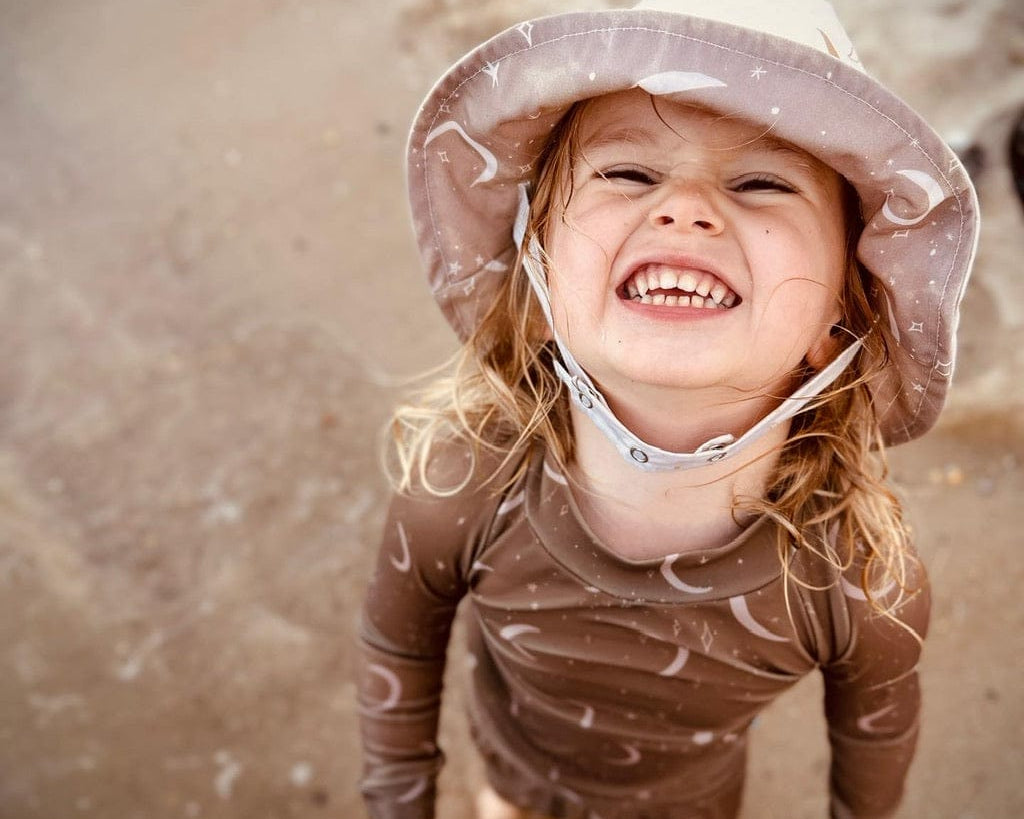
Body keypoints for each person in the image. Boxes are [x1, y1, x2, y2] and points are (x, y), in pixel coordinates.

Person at [357, 1, 979, 817]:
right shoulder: (464, 487)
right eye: (628, 173)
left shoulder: (855, 584)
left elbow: (875, 739)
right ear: (536, 285)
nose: (685, 208)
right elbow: (397, 649)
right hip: (510, 782)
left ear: (842, 322)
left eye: (762, 181)